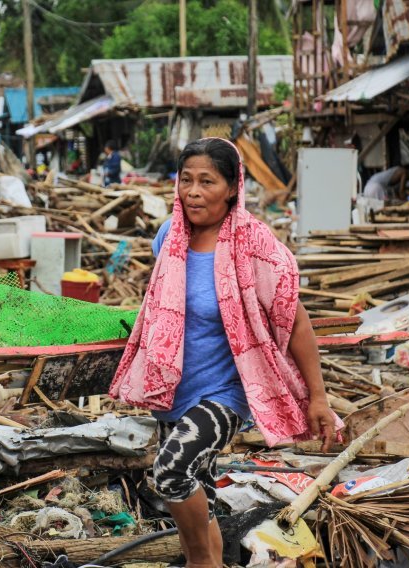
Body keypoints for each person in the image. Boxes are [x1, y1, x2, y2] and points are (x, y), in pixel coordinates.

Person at [109, 138, 341, 568]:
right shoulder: (170, 237)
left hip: (227, 390)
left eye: (207, 181)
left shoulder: (255, 248)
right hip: (173, 388)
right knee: (199, 485)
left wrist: (319, 396)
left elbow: (296, 322)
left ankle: (204, 561)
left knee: (171, 472)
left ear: (233, 187)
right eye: (186, 181)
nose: (193, 191)